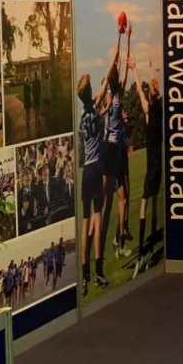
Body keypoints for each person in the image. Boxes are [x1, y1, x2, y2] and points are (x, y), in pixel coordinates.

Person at [78, 70, 111, 295]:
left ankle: (85, 276)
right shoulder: (95, 105)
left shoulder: (83, 118)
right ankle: (99, 271)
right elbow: (107, 77)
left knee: (85, 224)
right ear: (91, 94)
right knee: (97, 221)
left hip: (86, 171)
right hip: (97, 167)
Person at [102, 25, 133, 259]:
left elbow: (117, 65)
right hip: (114, 150)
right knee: (122, 200)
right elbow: (120, 68)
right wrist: (125, 37)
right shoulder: (117, 96)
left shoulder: (109, 97)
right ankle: (118, 241)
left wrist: (121, 36)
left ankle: (118, 238)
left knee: (124, 198)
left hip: (114, 149)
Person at [134, 66, 163, 277]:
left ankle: (141, 251)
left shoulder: (148, 111)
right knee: (153, 201)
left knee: (144, 203)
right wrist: (152, 72)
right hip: (158, 163)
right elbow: (152, 91)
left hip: (151, 165)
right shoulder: (159, 108)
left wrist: (136, 71)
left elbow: (139, 90)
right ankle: (151, 243)